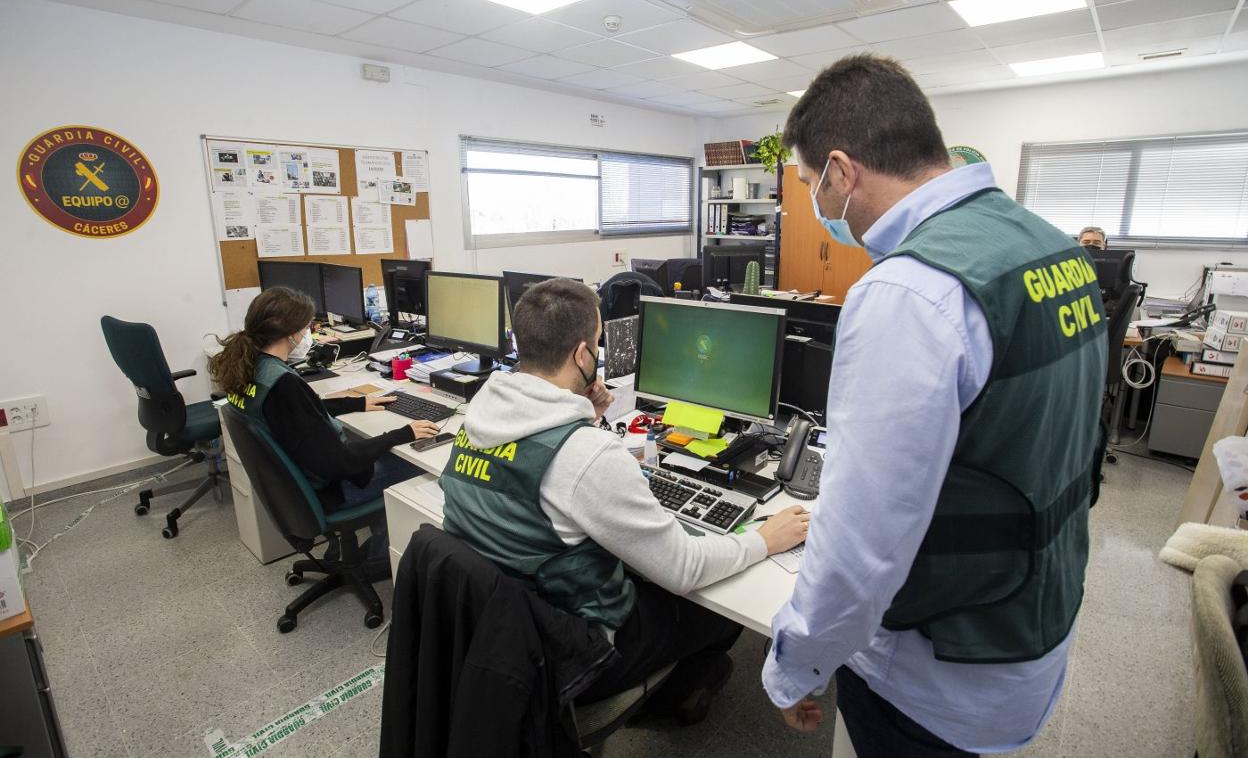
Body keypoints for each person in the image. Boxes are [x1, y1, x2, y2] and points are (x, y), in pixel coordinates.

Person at [763, 54, 1107, 756]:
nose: (814, 207)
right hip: (1028, 618)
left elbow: (863, 541)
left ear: (840, 170)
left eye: (807, 186)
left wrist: (796, 665)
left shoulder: (910, 290)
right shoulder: (1049, 246)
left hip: (939, 670)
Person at [437, 278, 809, 724]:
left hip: (508, 631)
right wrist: (765, 539)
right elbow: (684, 568)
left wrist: (584, 414)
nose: (598, 353)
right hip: (580, 649)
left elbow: (543, 485)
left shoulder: (482, 415)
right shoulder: (585, 456)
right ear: (581, 354)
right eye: (597, 343)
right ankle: (665, 704)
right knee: (719, 606)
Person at [208, 286, 440, 556]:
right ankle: (385, 553)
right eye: (307, 327)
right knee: (419, 463)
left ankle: (381, 542)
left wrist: (355, 403)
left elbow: (296, 416)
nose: (309, 334)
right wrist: (403, 434)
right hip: (333, 491)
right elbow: (339, 462)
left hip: (297, 489)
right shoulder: (284, 384)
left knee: (384, 447)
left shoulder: (252, 367)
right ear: (292, 333)